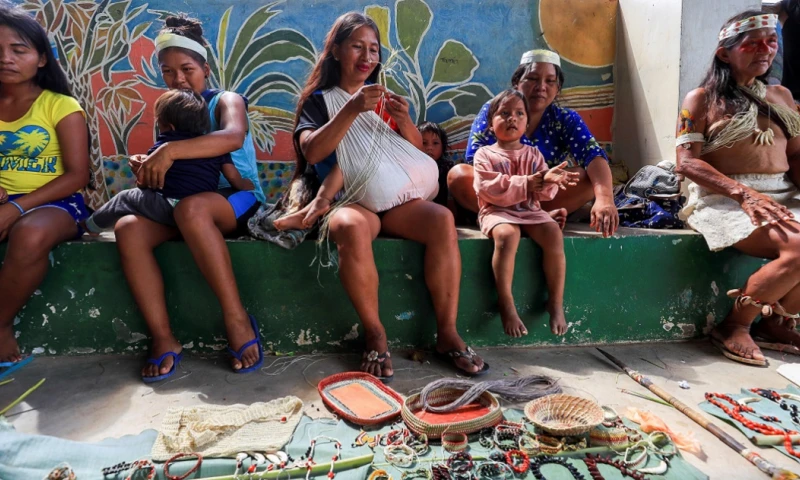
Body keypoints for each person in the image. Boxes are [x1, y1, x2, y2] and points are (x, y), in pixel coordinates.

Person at [290, 12, 487, 380]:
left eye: (373, 49)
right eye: (357, 47)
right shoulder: (318, 102)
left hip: (396, 202)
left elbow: (416, 151)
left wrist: (406, 120)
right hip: (350, 199)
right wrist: (351, 108)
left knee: (442, 219)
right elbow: (313, 151)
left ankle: (447, 332)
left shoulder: (381, 99)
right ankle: (375, 332)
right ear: (336, 51)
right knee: (349, 226)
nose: (367, 57)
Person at [117, 15, 265, 382]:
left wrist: (169, 153)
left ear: (205, 69)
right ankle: (163, 336)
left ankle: (237, 319)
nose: (178, 79)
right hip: (184, 206)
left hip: (236, 200)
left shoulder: (226, 101)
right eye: (168, 72)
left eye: (187, 69)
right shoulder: (172, 109)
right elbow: (167, 165)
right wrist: (148, 165)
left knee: (192, 207)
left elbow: (232, 136)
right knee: (128, 227)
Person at [676, 11, 800, 367]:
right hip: (725, 198)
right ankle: (735, 325)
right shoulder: (701, 99)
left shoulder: (782, 96)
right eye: (752, 44)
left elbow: (795, 155)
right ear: (724, 53)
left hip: (781, 193)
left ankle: (777, 322)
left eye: (771, 42)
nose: (765, 50)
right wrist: (743, 194)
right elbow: (687, 162)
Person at [0, 4, 90, 363]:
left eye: (18, 50)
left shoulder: (60, 106)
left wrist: (15, 208)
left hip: (56, 202)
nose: (5, 58)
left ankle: (0, 324)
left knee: (30, 233)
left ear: (40, 59)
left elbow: (77, 175)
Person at [448, 49, 618, 236]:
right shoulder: (495, 110)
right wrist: (521, 184)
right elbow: (476, 162)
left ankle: (529, 217)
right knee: (458, 175)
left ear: (558, 88)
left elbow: (593, 156)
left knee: (586, 179)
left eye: (550, 81)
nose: (541, 87)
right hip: (497, 195)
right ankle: (533, 219)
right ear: (516, 83)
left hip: (540, 197)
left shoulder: (565, 118)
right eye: (532, 79)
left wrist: (605, 200)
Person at [474, 90, 579, 338]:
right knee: (507, 236)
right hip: (497, 211)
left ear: (527, 124)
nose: (513, 118)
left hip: (530, 211)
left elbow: (544, 195)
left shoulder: (533, 154)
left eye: (519, 114)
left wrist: (550, 181)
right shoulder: (485, 154)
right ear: (491, 124)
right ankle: (506, 302)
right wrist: (528, 183)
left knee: (553, 233)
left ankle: (555, 302)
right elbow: (486, 187)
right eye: (504, 113)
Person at [83, 89, 253, 233]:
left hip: (167, 208)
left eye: (159, 123)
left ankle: (91, 225)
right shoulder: (213, 146)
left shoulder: (163, 146)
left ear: (169, 126)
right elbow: (233, 176)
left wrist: (141, 177)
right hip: (203, 209)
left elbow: (148, 182)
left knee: (124, 198)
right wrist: (244, 184)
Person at [419, 121, 455, 211]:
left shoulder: (447, 168)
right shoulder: (414, 168)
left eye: (435, 143)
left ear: (443, 146)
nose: (429, 147)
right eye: (424, 143)